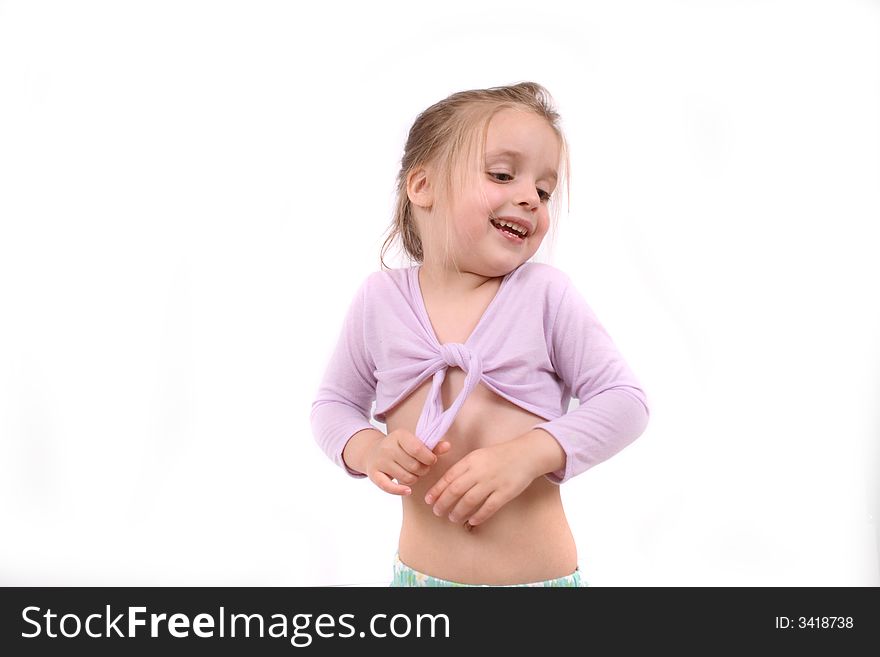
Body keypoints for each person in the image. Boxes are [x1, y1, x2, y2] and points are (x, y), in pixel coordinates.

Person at [310, 81, 650, 587]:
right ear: (422, 187)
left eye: (543, 190)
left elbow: (626, 402)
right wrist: (368, 449)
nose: (529, 199)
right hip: (418, 582)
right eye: (502, 174)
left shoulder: (544, 296)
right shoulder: (379, 302)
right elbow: (333, 404)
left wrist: (529, 454)